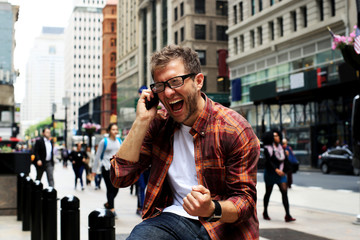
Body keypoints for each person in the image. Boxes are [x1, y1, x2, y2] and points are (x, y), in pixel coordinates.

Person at [110, 45, 260, 239]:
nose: (169, 93)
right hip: (170, 220)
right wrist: (141, 121)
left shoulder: (235, 129)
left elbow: (245, 201)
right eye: (160, 86)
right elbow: (120, 177)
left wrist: (211, 208)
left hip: (221, 227)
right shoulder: (158, 124)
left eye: (175, 81)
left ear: (198, 81)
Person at [262, 130, 296, 222]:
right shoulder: (267, 148)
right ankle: (265, 212)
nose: (277, 137)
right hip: (271, 173)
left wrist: (283, 171)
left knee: (284, 191)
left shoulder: (282, 148)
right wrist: (276, 169)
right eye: (274, 136)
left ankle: (288, 215)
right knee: (268, 193)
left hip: (281, 174)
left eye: (277, 136)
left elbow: (284, 161)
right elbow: (268, 161)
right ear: (271, 138)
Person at [92, 123, 122, 217]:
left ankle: (108, 203)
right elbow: (97, 156)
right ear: (109, 131)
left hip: (116, 169)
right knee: (110, 188)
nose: (115, 131)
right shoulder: (104, 141)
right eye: (113, 129)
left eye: (116, 129)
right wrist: (94, 170)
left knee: (116, 189)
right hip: (106, 167)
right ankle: (112, 209)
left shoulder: (119, 141)